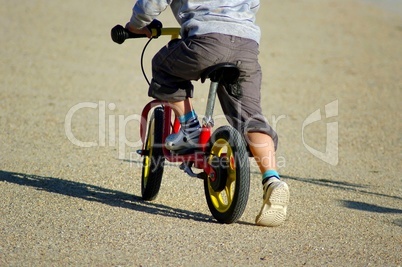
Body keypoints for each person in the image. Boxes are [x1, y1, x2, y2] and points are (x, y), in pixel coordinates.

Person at [125, 0, 290, 227]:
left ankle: (191, 129)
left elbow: (150, 5)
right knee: (251, 117)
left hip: (205, 40)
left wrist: (135, 26)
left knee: (163, 66)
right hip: (246, 45)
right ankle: (272, 179)